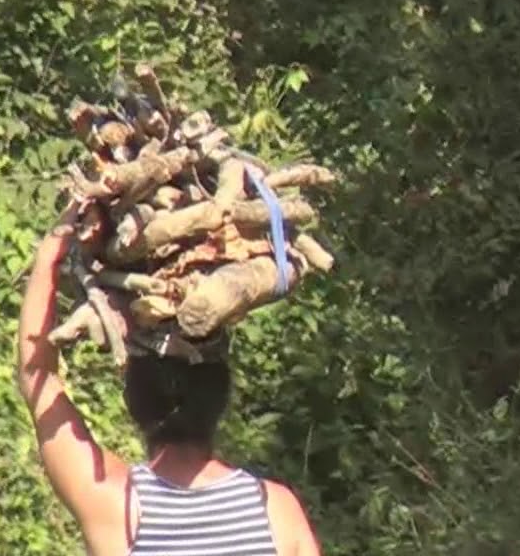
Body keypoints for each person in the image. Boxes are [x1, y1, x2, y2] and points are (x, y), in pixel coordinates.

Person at [16, 200, 322, 556]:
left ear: (134, 400)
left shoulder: (116, 504)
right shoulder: (276, 511)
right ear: (220, 397)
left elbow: (35, 374)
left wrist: (53, 249)